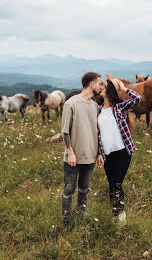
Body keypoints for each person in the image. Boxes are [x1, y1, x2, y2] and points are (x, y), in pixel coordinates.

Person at [97, 73, 142, 223]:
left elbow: (137, 99)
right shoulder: (97, 110)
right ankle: (115, 214)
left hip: (122, 152)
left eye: (104, 85)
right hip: (107, 154)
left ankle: (121, 217)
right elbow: (97, 135)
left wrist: (124, 89)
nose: (101, 87)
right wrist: (99, 154)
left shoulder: (119, 107)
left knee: (116, 183)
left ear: (110, 90)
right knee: (111, 185)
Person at [60, 72, 103, 225]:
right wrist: (70, 153)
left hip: (90, 156)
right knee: (69, 190)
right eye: (99, 84)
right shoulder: (70, 104)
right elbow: (65, 131)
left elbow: (98, 132)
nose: (100, 86)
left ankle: (80, 218)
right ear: (92, 85)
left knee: (84, 189)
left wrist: (99, 153)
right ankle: (66, 221)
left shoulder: (95, 106)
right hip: (74, 157)